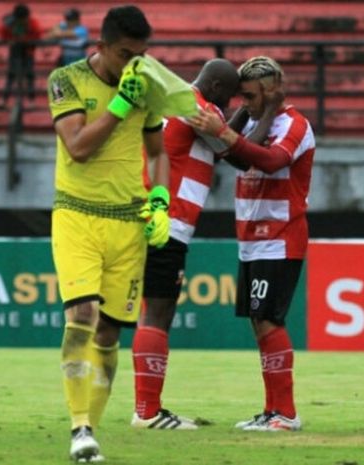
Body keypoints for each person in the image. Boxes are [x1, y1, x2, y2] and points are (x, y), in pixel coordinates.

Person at [46, 6, 173, 462]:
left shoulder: (146, 86)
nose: (133, 64)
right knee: (81, 313)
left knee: (109, 335)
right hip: (77, 216)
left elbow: (158, 152)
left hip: (128, 222)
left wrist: (160, 199)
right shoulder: (66, 80)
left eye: (141, 54)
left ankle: (91, 430)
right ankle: (78, 427)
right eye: (125, 54)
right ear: (100, 47)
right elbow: (77, 148)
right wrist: (121, 104)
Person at [189, 56, 315, 432]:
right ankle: (272, 409)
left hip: (280, 236)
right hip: (252, 238)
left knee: (269, 320)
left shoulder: (294, 123)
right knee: (260, 323)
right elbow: (237, 157)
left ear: (270, 89)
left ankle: (286, 414)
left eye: (249, 95)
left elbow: (273, 161)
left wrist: (227, 134)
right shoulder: (258, 122)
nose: (243, 102)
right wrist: (230, 132)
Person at [131, 58, 241, 430]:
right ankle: (147, 411)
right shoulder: (198, 107)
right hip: (169, 222)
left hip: (151, 217)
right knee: (158, 314)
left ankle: (146, 407)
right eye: (228, 98)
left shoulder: (175, 102)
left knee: (151, 311)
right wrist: (269, 110)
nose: (228, 107)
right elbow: (235, 150)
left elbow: (223, 135)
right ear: (214, 89)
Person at [0, 3, 41, 109]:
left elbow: (37, 36)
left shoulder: (32, 23)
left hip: (28, 52)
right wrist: (9, 41)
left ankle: (31, 102)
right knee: (11, 76)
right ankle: (4, 101)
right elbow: (3, 36)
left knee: (29, 75)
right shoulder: (9, 23)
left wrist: (25, 40)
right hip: (15, 51)